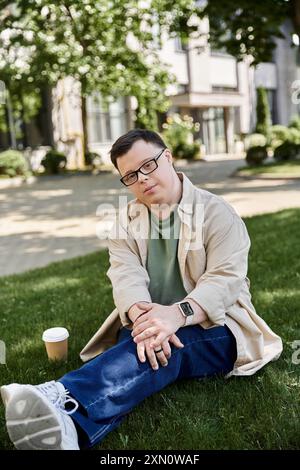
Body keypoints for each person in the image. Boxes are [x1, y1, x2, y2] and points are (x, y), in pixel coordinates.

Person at [1, 129, 283, 450]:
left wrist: (176, 315)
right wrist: (141, 315)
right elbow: (125, 276)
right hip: (149, 319)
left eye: (148, 165)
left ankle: (61, 394)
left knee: (165, 346)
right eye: (131, 175)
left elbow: (225, 281)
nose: (142, 180)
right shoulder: (124, 221)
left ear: (168, 158)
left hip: (217, 324)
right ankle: (72, 432)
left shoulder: (217, 213)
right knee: (144, 348)